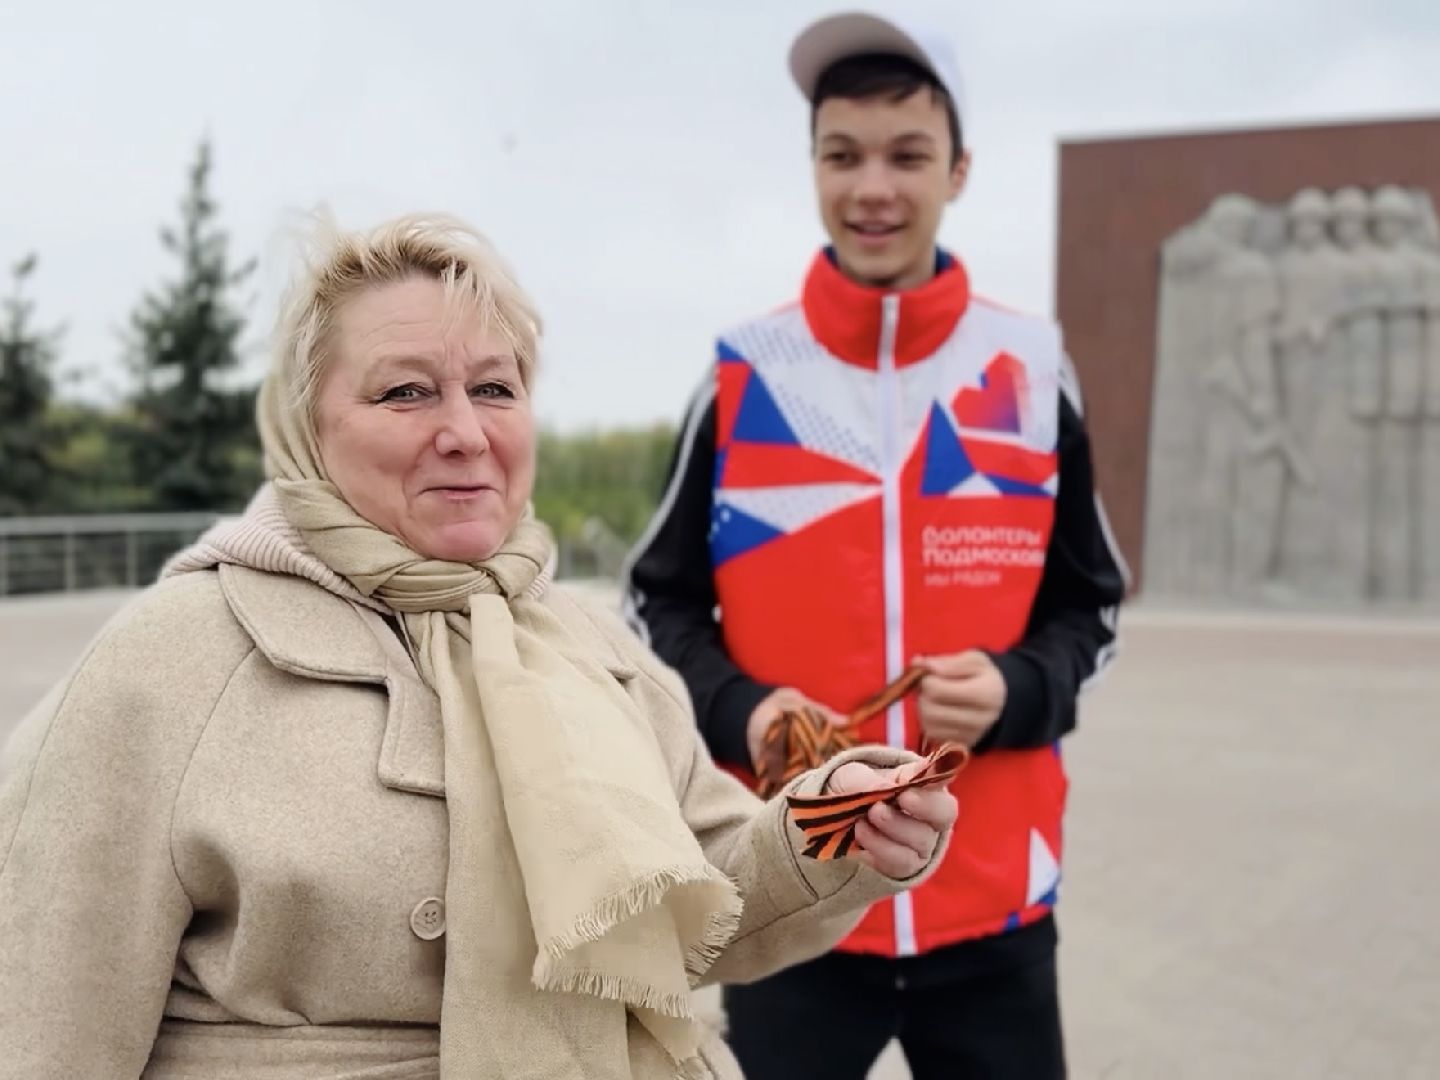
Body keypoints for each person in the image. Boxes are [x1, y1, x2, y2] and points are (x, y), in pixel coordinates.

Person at [0, 212, 959, 1079]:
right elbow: (46, 1030)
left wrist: (822, 833)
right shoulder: (173, 661)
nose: (464, 431)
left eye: (494, 388)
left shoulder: (591, 644)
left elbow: (706, 911)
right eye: (407, 392)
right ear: (308, 428)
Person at [623, 11, 1129, 1079]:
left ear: (959, 169)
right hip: (789, 895)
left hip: (996, 910)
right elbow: (653, 608)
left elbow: (1095, 606)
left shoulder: (1034, 375)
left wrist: (1019, 688)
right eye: (842, 155)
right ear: (811, 166)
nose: (873, 189)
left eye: (907, 155)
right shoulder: (740, 379)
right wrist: (743, 710)